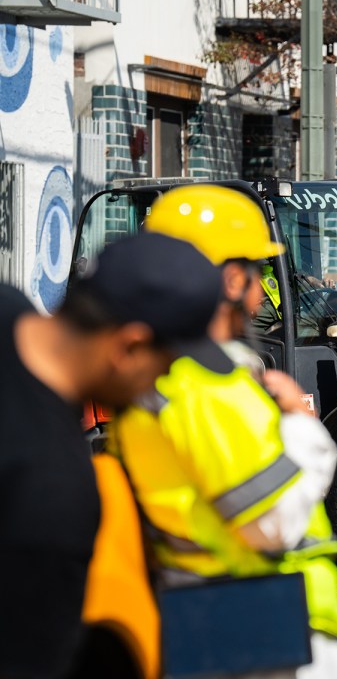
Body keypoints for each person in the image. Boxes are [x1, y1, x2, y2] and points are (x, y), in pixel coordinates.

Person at [113, 184, 337, 678]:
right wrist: (301, 424)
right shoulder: (202, 384)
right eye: (259, 271)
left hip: (228, 625)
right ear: (231, 279)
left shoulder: (169, 379)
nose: (260, 290)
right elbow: (271, 519)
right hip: (264, 635)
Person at [0, 232, 223, 679]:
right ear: (129, 348)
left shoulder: (6, 302)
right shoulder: (56, 494)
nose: (159, 385)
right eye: (165, 368)